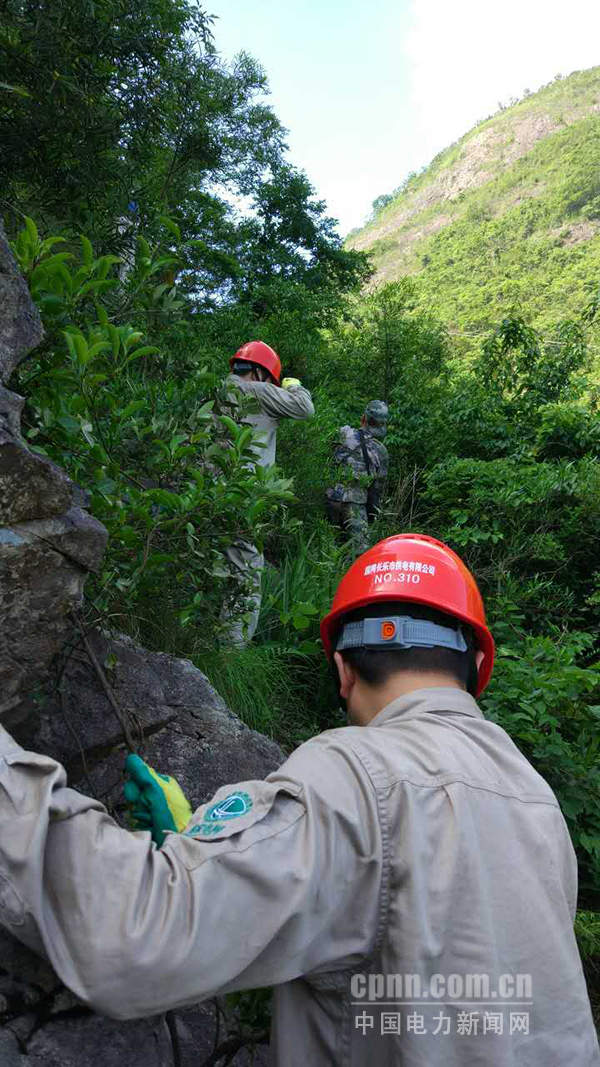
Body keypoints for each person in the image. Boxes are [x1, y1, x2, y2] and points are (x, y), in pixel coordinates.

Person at [0, 533, 598, 1066]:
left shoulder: (354, 774)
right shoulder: (536, 798)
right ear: (477, 664)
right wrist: (199, 842)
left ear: (342, 669)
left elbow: (133, 934)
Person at [220, 340, 314, 645]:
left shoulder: (216, 390)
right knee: (245, 574)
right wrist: (293, 386)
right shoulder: (258, 391)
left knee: (215, 568)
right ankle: (231, 654)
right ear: (260, 373)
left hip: (205, 497)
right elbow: (305, 408)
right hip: (242, 498)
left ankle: (199, 639)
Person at [325, 400, 389, 555]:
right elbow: (376, 488)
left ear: (363, 418)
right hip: (356, 505)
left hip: (331, 498)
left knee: (328, 547)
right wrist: (373, 515)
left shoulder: (342, 434)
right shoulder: (380, 450)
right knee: (361, 554)